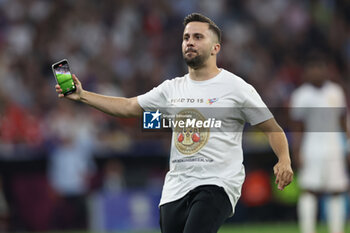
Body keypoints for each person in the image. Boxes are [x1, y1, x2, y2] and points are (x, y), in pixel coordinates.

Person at [55, 13, 293, 233]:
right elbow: (129, 107)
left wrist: (284, 159)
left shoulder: (236, 88)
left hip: (217, 182)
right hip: (176, 186)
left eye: (198, 37)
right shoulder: (171, 89)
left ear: (215, 48)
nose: (190, 42)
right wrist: (83, 95)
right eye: (186, 37)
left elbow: (272, 127)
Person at [290, 55, 349, 233]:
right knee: (309, 190)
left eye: (320, 68)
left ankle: (336, 230)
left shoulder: (335, 91)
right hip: (311, 149)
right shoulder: (301, 95)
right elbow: (297, 127)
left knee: (337, 189)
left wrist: (347, 145)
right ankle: (308, 230)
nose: (317, 72)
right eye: (313, 69)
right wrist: (296, 152)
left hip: (334, 148)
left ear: (326, 70)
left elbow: (343, 122)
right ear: (307, 72)